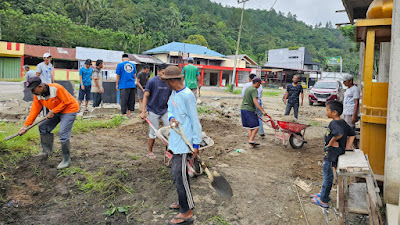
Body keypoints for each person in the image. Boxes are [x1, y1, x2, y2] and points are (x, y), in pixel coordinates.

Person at [162, 66, 201, 225]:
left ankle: (187, 211)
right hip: (176, 140)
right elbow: (170, 108)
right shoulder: (174, 93)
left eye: (166, 81)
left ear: (172, 81)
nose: (166, 84)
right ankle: (183, 201)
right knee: (177, 175)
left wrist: (196, 143)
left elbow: (195, 121)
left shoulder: (187, 96)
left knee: (180, 176)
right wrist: (171, 118)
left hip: (186, 143)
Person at [19, 77, 79, 169]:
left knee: (63, 133)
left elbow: (66, 101)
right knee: (43, 127)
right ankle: (46, 151)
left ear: (40, 86)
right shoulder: (37, 95)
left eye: (33, 90)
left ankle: (66, 159)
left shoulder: (56, 88)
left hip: (69, 109)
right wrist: (25, 126)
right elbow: (34, 110)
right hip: (56, 111)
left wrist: (53, 111)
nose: (32, 93)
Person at [310, 100, 355, 208]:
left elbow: (339, 133)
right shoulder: (343, 122)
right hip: (336, 154)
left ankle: (323, 200)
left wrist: (330, 142)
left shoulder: (334, 123)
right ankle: (323, 194)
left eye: (327, 110)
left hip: (330, 156)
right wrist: (346, 148)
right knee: (327, 176)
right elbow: (352, 134)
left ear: (334, 112)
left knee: (328, 177)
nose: (326, 112)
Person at [140, 64, 171, 159]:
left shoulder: (169, 82)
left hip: (164, 109)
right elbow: (145, 96)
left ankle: (168, 152)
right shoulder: (152, 82)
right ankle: (150, 152)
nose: (165, 75)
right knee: (154, 132)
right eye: (163, 73)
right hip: (153, 110)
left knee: (169, 132)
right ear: (159, 72)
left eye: (166, 73)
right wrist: (143, 111)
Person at [241, 77, 268, 149]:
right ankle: (251, 140)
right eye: (259, 84)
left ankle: (251, 144)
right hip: (249, 110)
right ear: (257, 83)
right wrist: (262, 111)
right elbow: (255, 101)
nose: (260, 86)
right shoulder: (254, 90)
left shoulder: (248, 88)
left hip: (243, 109)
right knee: (256, 126)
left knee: (250, 127)